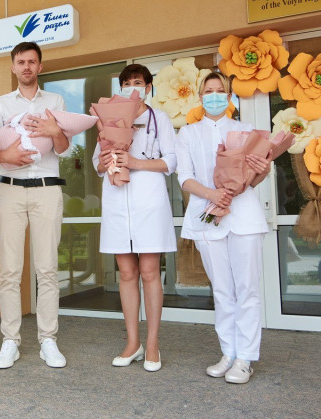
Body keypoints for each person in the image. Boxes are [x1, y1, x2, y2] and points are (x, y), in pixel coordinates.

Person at [0, 42, 69, 369]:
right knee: (10, 271)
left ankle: (48, 340)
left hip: (47, 189)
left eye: (32, 61)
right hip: (10, 189)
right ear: (13, 67)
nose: (26, 66)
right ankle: (10, 341)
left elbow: (64, 149)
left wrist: (55, 130)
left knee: (47, 269)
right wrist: (6, 155)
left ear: (40, 66)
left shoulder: (55, 102)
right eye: (21, 62)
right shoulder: (0, 104)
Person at [176, 72, 271, 384]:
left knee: (247, 289)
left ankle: (245, 358)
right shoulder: (187, 133)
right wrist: (212, 195)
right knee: (222, 290)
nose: (214, 96)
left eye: (220, 91)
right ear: (200, 97)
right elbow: (185, 177)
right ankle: (228, 352)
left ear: (229, 97)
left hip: (243, 215)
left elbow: (253, 178)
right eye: (209, 91)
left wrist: (263, 170)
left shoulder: (246, 130)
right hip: (206, 214)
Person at [92, 64, 177, 372]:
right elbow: (96, 164)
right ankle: (133, 342)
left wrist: (135, 162)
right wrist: (105, 161)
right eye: (126, 83)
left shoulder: (159, 119)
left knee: (150, 272)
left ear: (148, 87)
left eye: (138, 82)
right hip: (118, 201)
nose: (132, 88)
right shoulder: (108, 117)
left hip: (149, 201)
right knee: (126, 273)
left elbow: (171, 162)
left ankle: (152, 343)